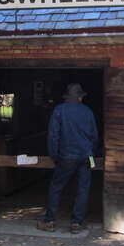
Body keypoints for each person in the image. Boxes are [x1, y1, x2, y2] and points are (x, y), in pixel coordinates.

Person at [37, 83, 99, 234]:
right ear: (80, 97)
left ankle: (50, 220)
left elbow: (53, 135)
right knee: (83, 188)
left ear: (67, 97)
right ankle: (76, 223)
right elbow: (94, 136)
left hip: (66, 156)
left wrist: (54, 155)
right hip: (85, 155)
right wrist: (92, 152)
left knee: (56, 186)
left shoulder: (59, 110)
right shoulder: (88, 112)